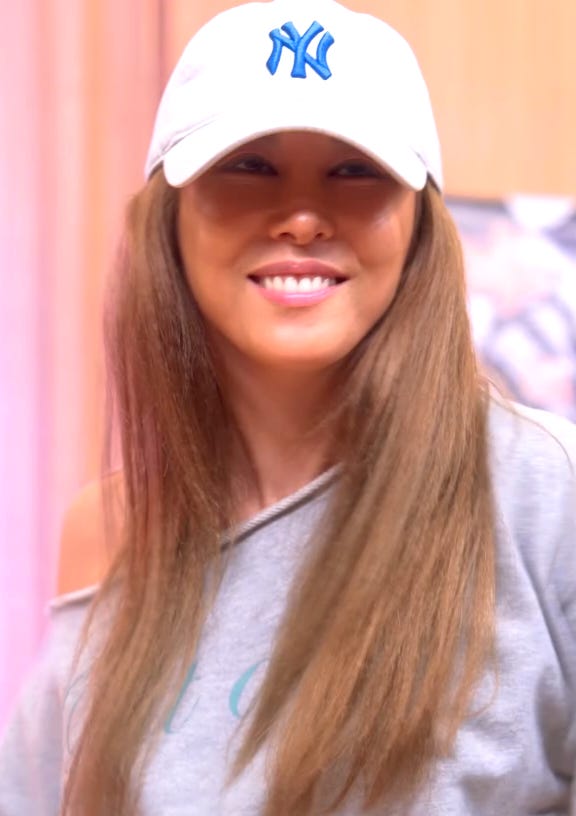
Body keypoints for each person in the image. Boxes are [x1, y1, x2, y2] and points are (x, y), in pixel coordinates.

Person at [1, 0, 575, 814]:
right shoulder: (111, 531)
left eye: (354, 171)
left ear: (419, 225)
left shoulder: (548, 497)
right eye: (249, 166)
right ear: (171, 220)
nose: (303, 219)